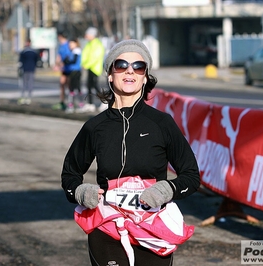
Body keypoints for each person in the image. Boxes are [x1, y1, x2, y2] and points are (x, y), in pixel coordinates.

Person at [61, 39, 201, 266]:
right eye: (121, 65)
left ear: (145, 77)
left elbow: (191, 176)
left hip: (152, 228)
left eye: (138, 67)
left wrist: (167, 189)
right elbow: (69, 176)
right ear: (110, 74)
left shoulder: (162, 123)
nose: (130, 71)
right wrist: (81, 192)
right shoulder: (95, 127)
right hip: (107, 228)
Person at [80, 27, 105, 112]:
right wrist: (84, 64)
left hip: (95, 68)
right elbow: (85, 55)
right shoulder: (89, 44)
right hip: (89, 67)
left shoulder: (97, 44)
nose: (86, 35)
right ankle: (90, 104)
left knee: (95, 86)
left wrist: (86, 65)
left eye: (88, 34)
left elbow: (95, 57)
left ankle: (104, 101)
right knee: (89, 86)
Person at [62, 38, 84, 113]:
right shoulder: (73, 51)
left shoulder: (76, 50)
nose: (70, 45)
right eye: (69, 44)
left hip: (76, 71)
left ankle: (73, 105)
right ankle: (77, 104)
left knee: (73, 88)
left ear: (76, 43)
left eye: (71, 44)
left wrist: (67, 61)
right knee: (75, 88)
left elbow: (74, 60)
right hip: (73, 71)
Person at [52, 31, 71, 111]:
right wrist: (56, 64)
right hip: (63, 69)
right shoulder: (61, 46)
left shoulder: (68, 45)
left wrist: (60, 65)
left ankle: (71, 102)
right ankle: (62, 102)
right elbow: (59, 56)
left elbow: (69, 57)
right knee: (62, 85)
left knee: (69, 86)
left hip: (69, 68)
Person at [18, 39, 39, 105]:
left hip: (25, 69)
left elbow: (20, 61)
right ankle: (28, 97)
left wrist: (19, 68)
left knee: (24, 83)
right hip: (31, 69)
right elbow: (37, 60)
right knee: (30, 83)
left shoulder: (23, 51)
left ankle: (24, 97)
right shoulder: (34, 52)